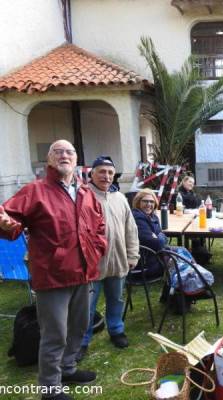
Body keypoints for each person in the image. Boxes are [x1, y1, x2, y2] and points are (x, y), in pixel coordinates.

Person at [0, 140, 107, 400]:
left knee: (80, 326)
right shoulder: (35, 191)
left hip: (83, 273)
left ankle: (68, 368)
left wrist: (97, 249)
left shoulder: (85, 193)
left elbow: (99, 226)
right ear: (49, 160)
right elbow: (9, 219)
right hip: (52, 276)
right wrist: (5, 222)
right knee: (54, 334)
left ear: (76, 159)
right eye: (57, 152)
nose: (64, 155)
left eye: (69, 152)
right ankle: (49, 388)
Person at [77, 156, 140, 362]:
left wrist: (133, 255)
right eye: (101, 172)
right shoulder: (82, 196)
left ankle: (116, 330)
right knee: (87, 306)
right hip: (92, 265)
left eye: (110, 173)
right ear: (92, 174)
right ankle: (81, 341)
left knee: (116, 300)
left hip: (118, 262)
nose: (106, 176)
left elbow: (131, 229)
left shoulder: (120, 198)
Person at [132, 188, 169, 279]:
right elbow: (157, 243)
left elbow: (163, 238)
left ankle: (195, 280)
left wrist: (158, 237)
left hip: (155, 257)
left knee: (182, 252)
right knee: (178, 258)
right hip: (144, 267)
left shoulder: (153, 217)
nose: (149, 204)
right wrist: (159, 238)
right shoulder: (137, 217)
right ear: (138, 202)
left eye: (151, 202)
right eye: (145, 201)